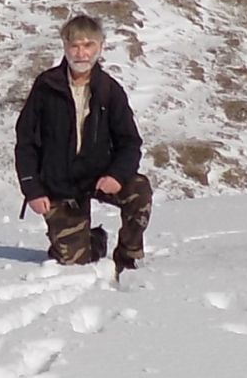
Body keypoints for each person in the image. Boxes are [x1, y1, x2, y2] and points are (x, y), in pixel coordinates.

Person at [14, 14, 152, 274]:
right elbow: (25, 142)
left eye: (88, 45)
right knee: (72, 261)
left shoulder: (110, 90)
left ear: (100, 47)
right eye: (75, 45)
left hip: (98, 177)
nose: (81, 53)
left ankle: (128, 257)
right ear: (65, 47)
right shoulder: (46, 87)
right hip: (59, 184)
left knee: (140, 189)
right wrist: (33, 189)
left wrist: (116, 175)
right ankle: (93, 240)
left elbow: (130, 142)